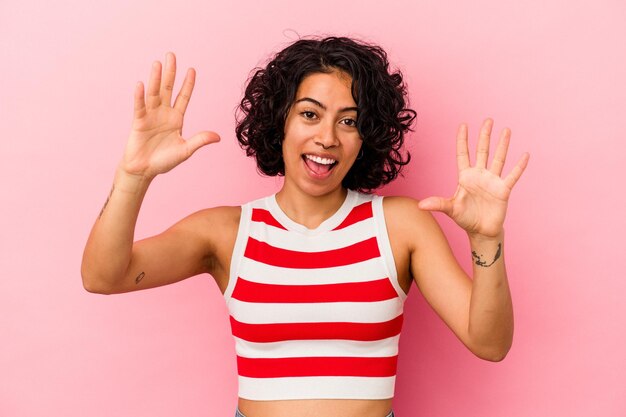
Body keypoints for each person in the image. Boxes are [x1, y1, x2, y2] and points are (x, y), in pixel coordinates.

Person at [81, 36, 529, 417]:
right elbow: (104, 276)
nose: (327, 137)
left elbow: (489, 343)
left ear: (366, 136)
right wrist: (133, 177)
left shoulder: (400, 225)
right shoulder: (225, 232)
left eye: (348, 121)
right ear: (280, 121)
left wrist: (487, 238)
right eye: (310, 114)